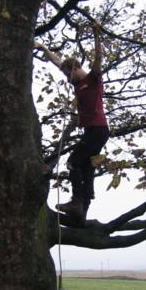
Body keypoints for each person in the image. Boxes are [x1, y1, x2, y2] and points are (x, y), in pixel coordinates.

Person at [35, 23, 110, 224]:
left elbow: (98, 59)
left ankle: (77, 203)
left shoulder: (93, 78)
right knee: (85, 167)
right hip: (92, 131)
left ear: (76, 68)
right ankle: (82, 212)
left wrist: (96, 34)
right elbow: (57, 61)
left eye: (68, 73)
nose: (67, 78)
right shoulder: (76, 82)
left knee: (73, 162)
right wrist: (43, 48)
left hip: (98, 130)